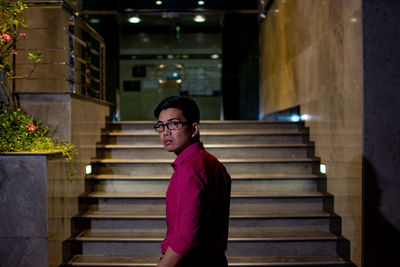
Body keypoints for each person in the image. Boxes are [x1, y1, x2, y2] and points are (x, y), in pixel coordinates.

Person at [153, 96, 231, 267]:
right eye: (160, 126)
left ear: (194, 129)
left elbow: (185, 238)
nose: (166, 132)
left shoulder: (189, 169)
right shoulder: (213, 163)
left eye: (173, 124)